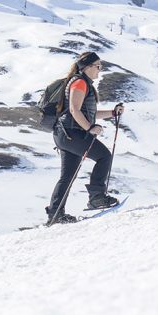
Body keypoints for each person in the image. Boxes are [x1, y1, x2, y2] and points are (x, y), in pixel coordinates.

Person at [46, 51, 124, 224]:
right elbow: (75, 110)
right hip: (71, 133)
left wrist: (112, 113)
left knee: (68, 175)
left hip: (65, 134)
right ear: (87, 67)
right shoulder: (80, 82)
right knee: (104, 156)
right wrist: (90, 127)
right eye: (98, 66)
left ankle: (55, 214)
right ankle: (97, 197)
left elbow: (89, 113)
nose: (99, 69)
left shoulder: (81, 82)